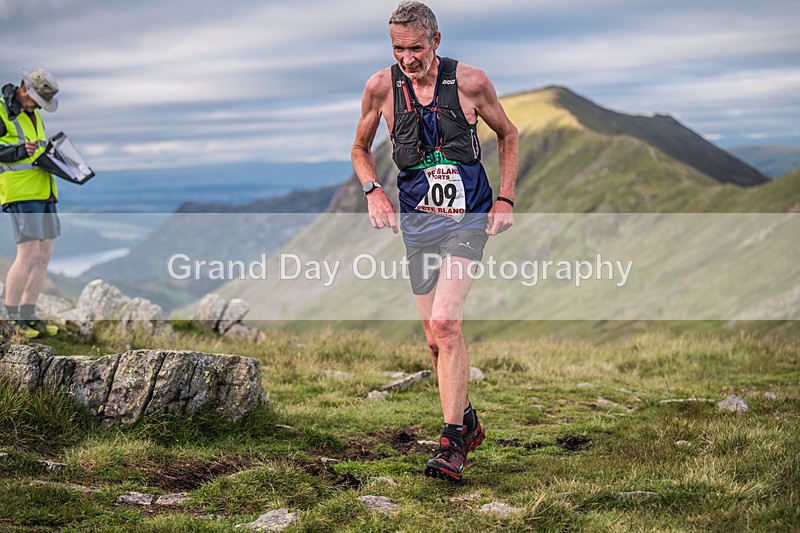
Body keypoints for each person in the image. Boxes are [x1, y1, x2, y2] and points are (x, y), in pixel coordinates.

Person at [352, 1, 518, 482]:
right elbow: (360, 148)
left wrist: (505, 198)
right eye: (398, 48)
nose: (408, 58)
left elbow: (508, 134)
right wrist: (372, 191)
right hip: (418, 223)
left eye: (417, 48)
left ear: (437, 42)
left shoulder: (471, 82)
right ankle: (468, 421)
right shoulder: (381, 88)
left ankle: (451, 446)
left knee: (446, 323)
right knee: (432, 340)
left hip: (468, 218)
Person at [0, 68, 62, 338]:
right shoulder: (2, 111)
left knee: (44, 254)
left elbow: (35, 150)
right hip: (20, 192)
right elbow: (13, 151)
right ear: (24, 90)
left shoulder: (32, 114)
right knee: (27, 255)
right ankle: (11, 318)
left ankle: (29, 313)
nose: (38, 107)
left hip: (43, 189)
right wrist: (15, 152)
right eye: (37, 100)